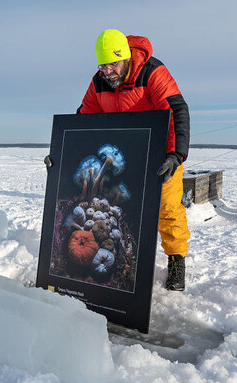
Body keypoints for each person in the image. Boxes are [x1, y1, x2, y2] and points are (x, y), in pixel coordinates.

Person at [77, 29, 191, 291]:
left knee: (168, 209)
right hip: (122, 157)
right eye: (102, 66)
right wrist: (64, 149)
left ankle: (176, 261)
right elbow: (84, 119)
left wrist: (176, 155)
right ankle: (124, 262)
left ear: (126, 57)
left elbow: (176, 110)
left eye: (112, 64)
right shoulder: (99, 82)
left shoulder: (151, 71)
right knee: (118, 210)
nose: (107, 72)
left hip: (161, 154)